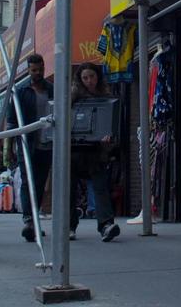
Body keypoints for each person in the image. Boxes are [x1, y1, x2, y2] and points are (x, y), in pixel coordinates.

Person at [70, 62, 121, 242]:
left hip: (96, 151)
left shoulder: (105, 96)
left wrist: (108, 139)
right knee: (69, 190)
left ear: (97, 76)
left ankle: (106, 225)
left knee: (101, 188)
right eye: (85, 77)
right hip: (74, 150)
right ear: (80, 79)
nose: (89, 81)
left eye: (92, 76)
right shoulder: (73, 94)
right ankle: (69, 226)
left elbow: (111, 123)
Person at [8, 54, 54, 242]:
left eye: (40, 69)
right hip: (27, 142)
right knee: (28, 182)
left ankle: (34, 221)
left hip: (47, 143)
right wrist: (9, 146)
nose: (38, 73)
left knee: (40, 183)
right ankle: (29, 221)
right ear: (28, 70)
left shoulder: (51, 89)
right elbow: (12, 120)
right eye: (34, 70)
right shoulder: (20, 91)